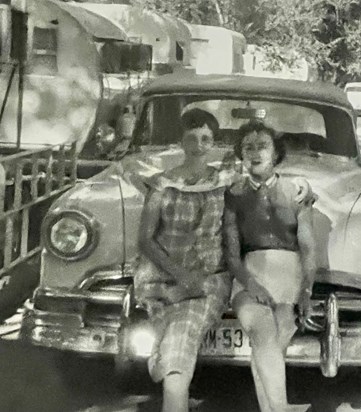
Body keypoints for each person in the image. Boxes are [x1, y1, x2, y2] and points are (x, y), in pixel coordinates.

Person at [134, 108, 232, 412]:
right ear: (181, 141)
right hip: (163, 276)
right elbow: (145, 239)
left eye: (206, 138)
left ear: (213, 143)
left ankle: (172, 390)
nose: (199, 144)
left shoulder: (223, 181)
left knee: (182, 330)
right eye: (192, 137)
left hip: (208, 281)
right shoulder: (163, 184)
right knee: (178, 330)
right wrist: (179, 274)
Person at [223, 120, 316, 412]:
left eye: (262, 145)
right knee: (263, 331)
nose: (254, 152)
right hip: (249, 275)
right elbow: (232, 254)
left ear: (275, 153)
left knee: (279, 333)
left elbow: (309, 249)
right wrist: (252, 285)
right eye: (247, 147)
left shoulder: (296, 192)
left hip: (289, 276)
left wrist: (307, 292)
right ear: (240, 154)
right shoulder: (233, 195)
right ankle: (282, 409)